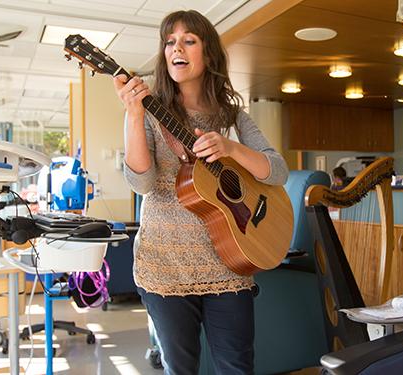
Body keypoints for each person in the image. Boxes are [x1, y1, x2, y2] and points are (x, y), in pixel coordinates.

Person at [113, 10, 288, 375]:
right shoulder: (147, 112)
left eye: (189, 40)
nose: (176, 47)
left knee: (237, 368)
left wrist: (232, 148)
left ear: (208, 54)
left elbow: (278, 171)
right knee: (181, 370)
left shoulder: (233, 116)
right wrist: (132, 114)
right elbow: (142, 184)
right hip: (164, 266)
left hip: (230, 263)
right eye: (170, 41)